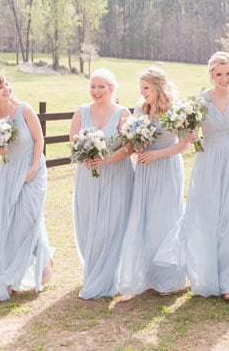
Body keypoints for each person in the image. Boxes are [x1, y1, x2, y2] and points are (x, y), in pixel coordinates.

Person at [171, 52, 229, 301]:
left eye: (228, 73)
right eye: (219, 74)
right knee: (208, 216)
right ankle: (206, 277)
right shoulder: (200, 99)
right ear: (211, 75)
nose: (224, 79)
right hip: (209, 159)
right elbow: (190, 130)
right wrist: (190, 134)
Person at [0, 73, 53, 301]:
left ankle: (37, 266)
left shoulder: (24, 109)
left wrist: (32, 169)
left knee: (28, 219)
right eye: (0, 87)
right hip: (9, 172)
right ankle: (13, 276)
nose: (6, 89)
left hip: (33, 169)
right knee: (9, 223)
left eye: (7, 85)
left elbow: (39, 140)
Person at [119, 67, 189, 296]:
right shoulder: (140, 108)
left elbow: (183, 145)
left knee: (165, 216)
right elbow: (135, 137)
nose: (142, 92)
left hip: (167, 166)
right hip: (145, 168)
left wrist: (156, 155)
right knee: (145, 216)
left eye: (146, 88)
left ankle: (168, 276)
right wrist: (139, 146)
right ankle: (147, 274)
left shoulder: (176, 110)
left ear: (158, 87)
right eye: (141, 88)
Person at [69, 68, 134, 299]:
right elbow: (73, 143)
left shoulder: (122, 113)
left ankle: (109, 275)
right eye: (93, 87)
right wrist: (85, 156)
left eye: (101, 87)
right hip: (88, 176)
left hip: (116, 175)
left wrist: (107, 159)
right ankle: (93, 269)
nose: (96, 91)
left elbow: (130, 147)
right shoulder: (81, 111)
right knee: (89, 223)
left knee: (112, 224)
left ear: (111, 89)